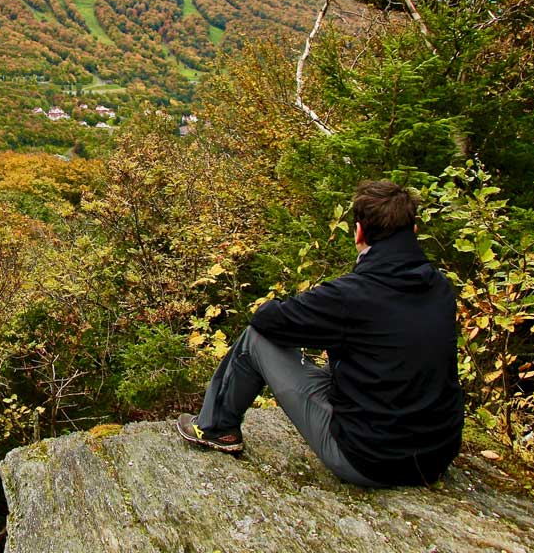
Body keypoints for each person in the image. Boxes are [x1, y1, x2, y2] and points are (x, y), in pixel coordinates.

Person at [176, 180, 463, 487]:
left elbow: (268, 321)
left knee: (255, 339)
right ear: (414, 229)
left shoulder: (351, 296)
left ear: (359, 232)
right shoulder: (440, 287)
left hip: (372, 460)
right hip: (436, 457)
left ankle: (216, 428)